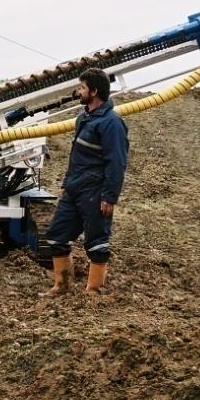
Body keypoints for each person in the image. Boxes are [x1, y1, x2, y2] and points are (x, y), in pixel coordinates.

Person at [44, 68, 129, 295]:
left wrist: (110, 196)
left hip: (95, 190)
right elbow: (76, 156)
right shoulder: (84, 118)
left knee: (97, 241)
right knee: (56, 235)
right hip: (74, 188)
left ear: (94, 91)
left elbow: (117, 162)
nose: (78, 91)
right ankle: (61, 286)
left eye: (82, 87)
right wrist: (66, 184)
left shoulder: (112, 123)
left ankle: (94, 291)